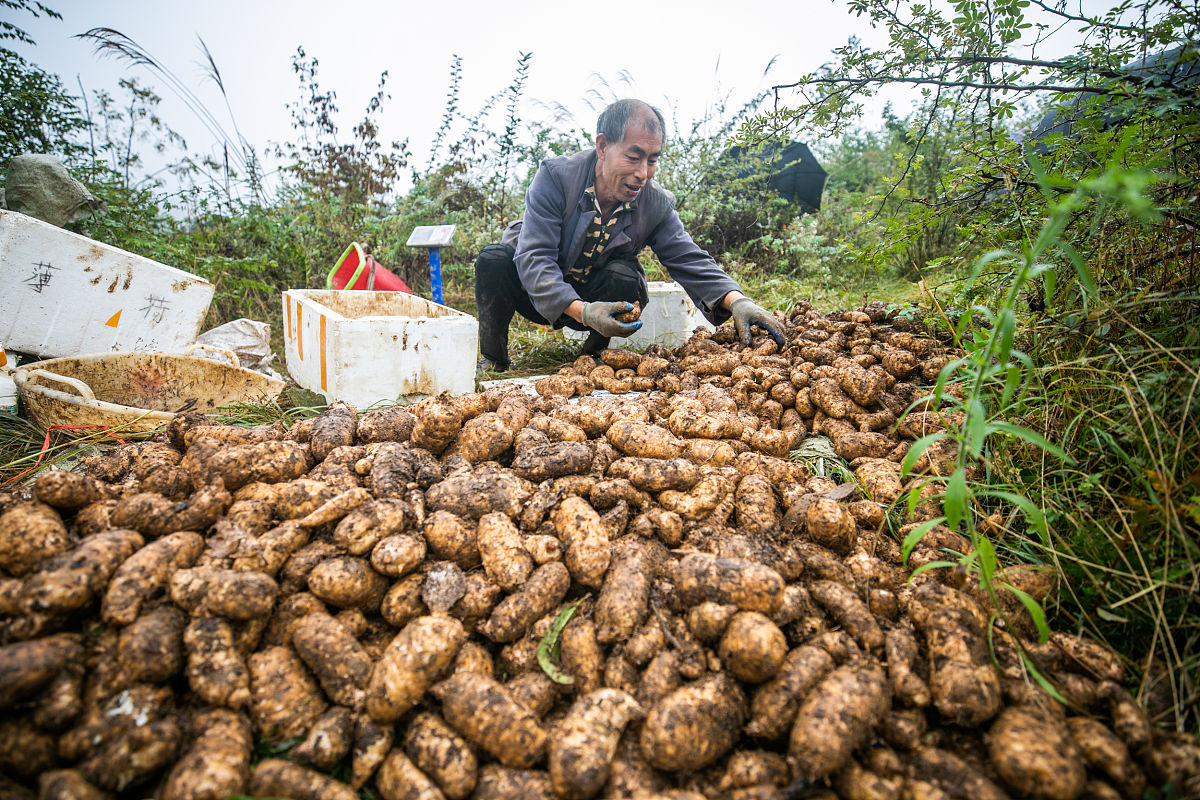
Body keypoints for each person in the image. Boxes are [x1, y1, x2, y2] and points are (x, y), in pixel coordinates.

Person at [473, 98, 784, 376]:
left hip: (599, 300)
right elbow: (535, 258)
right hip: (535, 293)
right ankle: (493, 358)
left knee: (625, 276)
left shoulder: (655, 203)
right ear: (603, 146)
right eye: (633, 157)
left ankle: (593, 357)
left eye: (652, 159)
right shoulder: (556, 177)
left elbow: (687, 257)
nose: (643, 173)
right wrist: (582, 310)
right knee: (493, 260)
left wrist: (738, 301)